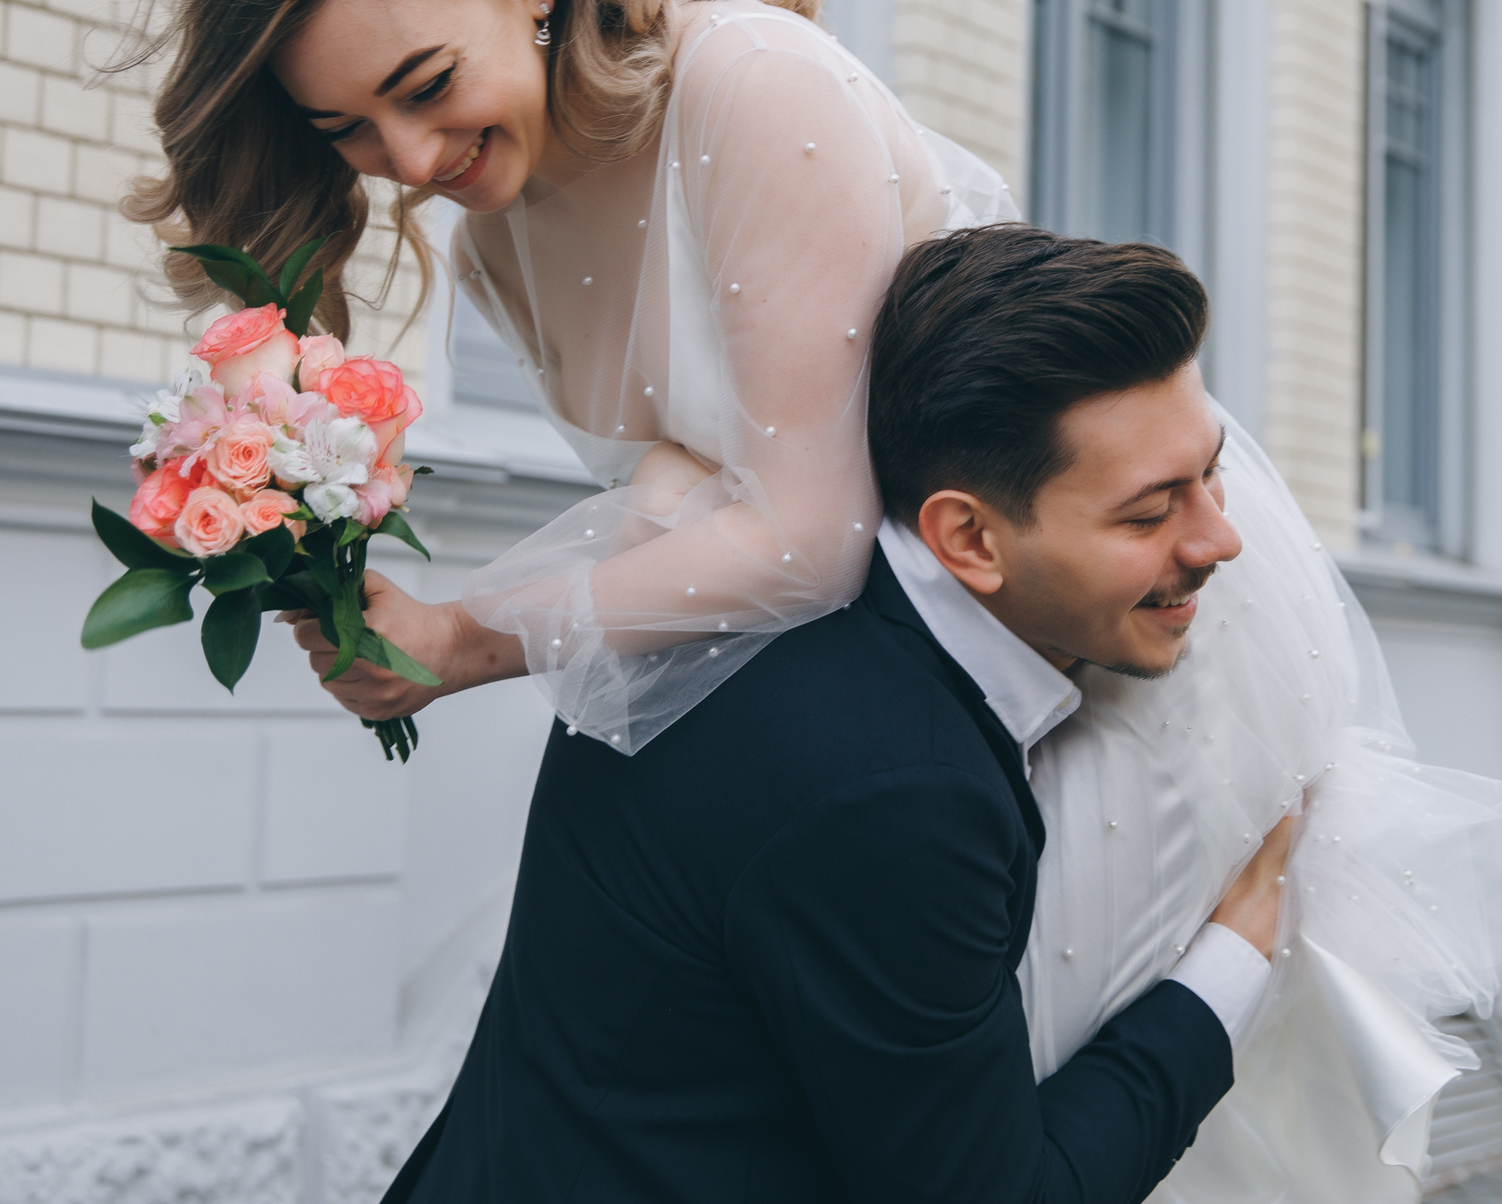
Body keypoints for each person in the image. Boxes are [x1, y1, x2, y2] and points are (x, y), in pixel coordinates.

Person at [123, 0, 1502, 1199]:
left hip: (1086, 646)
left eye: (424, 87)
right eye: (348, 130)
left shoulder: (747, 84)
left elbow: (806, 537)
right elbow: (688, 459)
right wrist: (418, 617)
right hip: (888, 688)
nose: (409, 157)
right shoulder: (498, 240)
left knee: (1069, 1136)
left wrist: (468, 636)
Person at [385, 228, 1288, 1202]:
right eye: (1150, 513)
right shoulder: (898, 792)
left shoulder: (735, 596)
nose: (1221, 536)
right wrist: (1229, 963)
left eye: (1211, 472)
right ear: (968, 537)